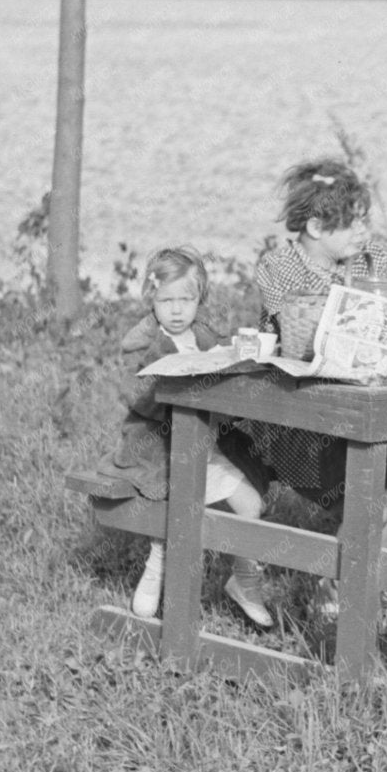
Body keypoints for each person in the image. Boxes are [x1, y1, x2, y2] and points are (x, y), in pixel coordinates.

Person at [245, 156, 387, 560]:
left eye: (366, 219)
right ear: (315, 227)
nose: (365, 230)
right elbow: (304, 337)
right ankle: (343, 586)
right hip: (302, 418)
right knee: (375, 496)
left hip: (365, 411)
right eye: (354, 222)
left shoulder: (372, 259)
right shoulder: (281, 267)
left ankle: (349, 582)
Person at [89, 246, 277, 628]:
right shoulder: (140, 342)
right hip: (159, 449)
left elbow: (227, 384)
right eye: (166, 300)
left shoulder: (205, 337)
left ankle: (245, 580)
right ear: (151, 299)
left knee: (251, 504)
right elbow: (139, 395)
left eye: (186, 300)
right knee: (180, 502)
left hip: (205, 447)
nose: (176, 310)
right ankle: (158, 562)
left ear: (199, 299)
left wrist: (235, 368)